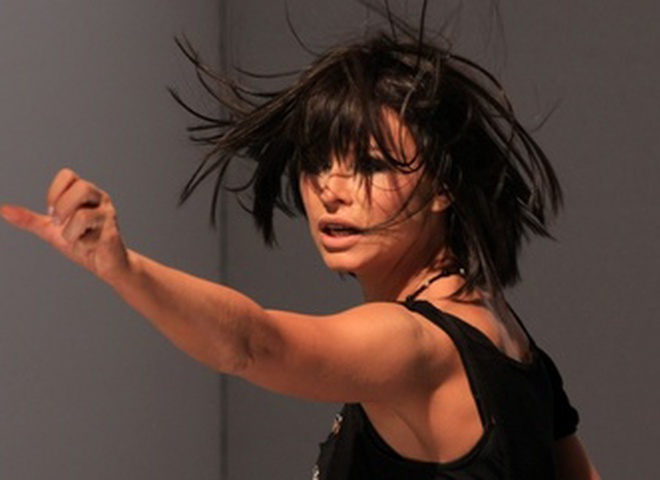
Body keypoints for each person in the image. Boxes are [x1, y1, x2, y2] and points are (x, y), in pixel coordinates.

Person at [0, 5, 600, 479]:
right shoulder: (502, 332)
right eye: (316, 163)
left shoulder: (413, 344)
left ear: (444, 185)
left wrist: (123, 268)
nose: (331, 191)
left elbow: (253, 343)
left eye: (370, 165)